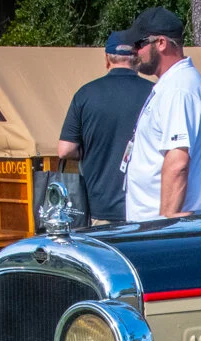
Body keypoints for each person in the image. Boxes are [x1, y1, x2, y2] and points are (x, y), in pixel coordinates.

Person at [122, 6, 201, 221]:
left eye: (139, 44)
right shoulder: (172, 84)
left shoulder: (179, 89)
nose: (134, 51)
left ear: (161, 43)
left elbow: (177, 163)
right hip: (150, 227)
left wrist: (166, 224)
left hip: (158, 230)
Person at [58, 31, 153, 224]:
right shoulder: (154, 93)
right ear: (137, 58)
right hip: (145, 208)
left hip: (99, 207)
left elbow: (65, 149)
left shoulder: (85, 94)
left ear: (107, 59)